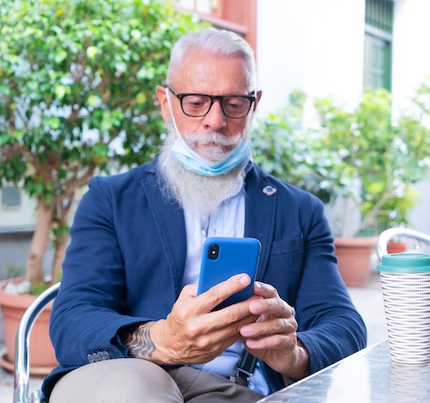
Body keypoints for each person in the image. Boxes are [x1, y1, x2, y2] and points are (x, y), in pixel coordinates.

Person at [42, 27, 367, 402]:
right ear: (166, 102)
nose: (214, 121)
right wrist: (163, 340)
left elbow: (345, 325)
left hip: (239, 388)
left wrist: (294, 353)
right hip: (133, 375)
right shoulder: (111, 200)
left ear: (254, 103)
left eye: (233, 103)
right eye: (196, 102)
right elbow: (72, 320)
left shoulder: (299, 210)